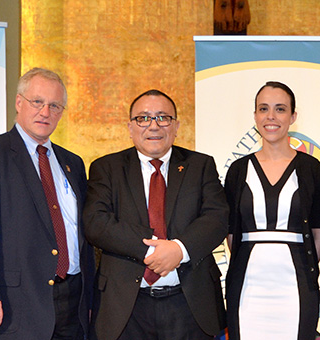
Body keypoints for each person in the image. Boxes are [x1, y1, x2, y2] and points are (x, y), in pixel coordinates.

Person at [0, 68, 95, 339]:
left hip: (72, 304)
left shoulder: (73, 163)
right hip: (12, 305)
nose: (45, 112)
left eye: (54, 106)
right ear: (19, 103)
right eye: (37, 102)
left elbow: (81, 234)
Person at [83, 89, 228, 340]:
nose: (154, 126)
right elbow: (97, 223)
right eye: (143, 118)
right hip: (125, 308)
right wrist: (154, 252)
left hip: (189, 304)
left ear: (176, 126)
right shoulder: (106, 168)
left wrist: (179, 250)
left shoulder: (200, 165)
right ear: (130, 127)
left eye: (163, 117)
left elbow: (217, 218)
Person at [224, 81, 320, 340]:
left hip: (296, 284)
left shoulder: (311, 169)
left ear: (293, 116)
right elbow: (231, 234)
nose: (271, 116)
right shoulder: (238, 170)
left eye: (280, 109)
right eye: (263, 109)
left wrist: (303, 268)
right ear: (256, 116)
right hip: (247, 285)